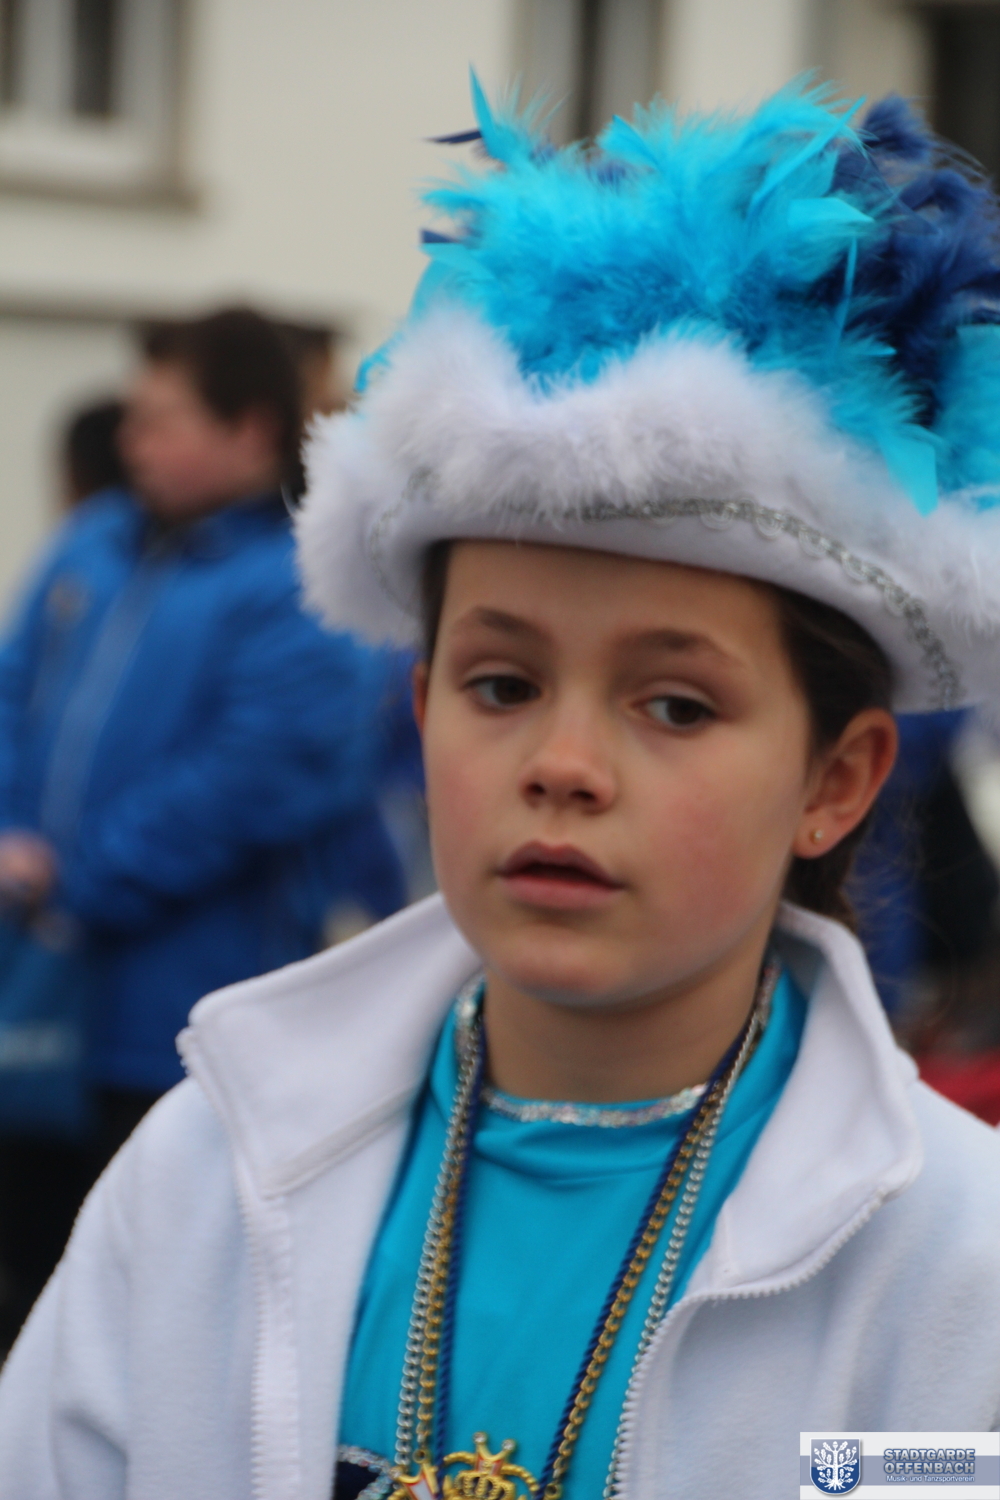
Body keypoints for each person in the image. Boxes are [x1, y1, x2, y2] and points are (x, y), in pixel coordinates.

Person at [2, 83, 1000, 1500]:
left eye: (675, 704)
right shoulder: (208, 1175)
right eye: (501, 683)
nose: (560, 766)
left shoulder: (953, 1265)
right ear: (419, 713)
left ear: (835, 782)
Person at [0, 307, 405, 1343]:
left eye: (162, 419)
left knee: (146, 1311)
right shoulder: (93, 543)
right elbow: (10, 692)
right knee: (24, 1282)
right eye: (132, 416)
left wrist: (75, 881)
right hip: (36, 998)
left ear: (250, 430)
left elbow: (259, 775)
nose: (132, 439)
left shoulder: (300, 585)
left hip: (179, 1025)